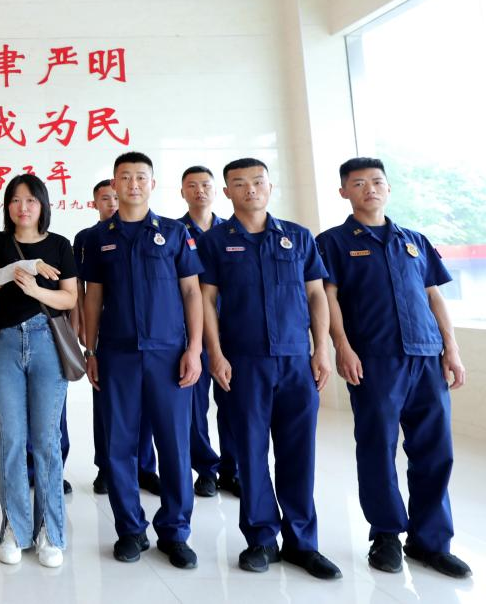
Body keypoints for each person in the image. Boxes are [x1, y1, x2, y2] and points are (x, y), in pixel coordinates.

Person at [316, 157, 470, 578]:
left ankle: (430, 541)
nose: (370, 189)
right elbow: (328, 299)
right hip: (374, 360)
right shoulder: (333, 242)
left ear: (388, 188)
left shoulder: (414, 240)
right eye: (358, 183)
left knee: (435, 450)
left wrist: (451, 348)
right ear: (343, 191)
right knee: (377, 447)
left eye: (377, 181)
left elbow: (434, 296)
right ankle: (385, 535)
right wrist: (341, 346)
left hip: (426, 357)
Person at [197, 157, 341, 579]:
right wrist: (215, 353)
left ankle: (302, 543)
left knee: (299, 452)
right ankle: (261, 538)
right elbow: (206, 300)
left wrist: (322, 349)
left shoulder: (298, 237)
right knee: (250, 452)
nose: (251, 189)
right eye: (240, 183)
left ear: (270, 187)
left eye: (258, 181)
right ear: (227, 192)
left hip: (296, 360)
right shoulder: (216, 241)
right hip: (243, 362)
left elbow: (316, 295)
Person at [82, 152, 204, 568]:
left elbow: (192, 292)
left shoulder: (174, 233)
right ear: (114, 184)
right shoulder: (99, 237)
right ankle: (130, 530)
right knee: (119, 445)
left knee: (174, 444)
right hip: (117, 354)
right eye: (125, 177)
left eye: (140, 177)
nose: (133, 184)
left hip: (169, 354)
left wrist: (194, 348)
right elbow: (93, 297)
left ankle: (175, 531)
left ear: (152, 183)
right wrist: (91, 350)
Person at [0, 173, 77, 568]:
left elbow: (69, 297)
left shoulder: (60, 245)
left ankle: (49, 532)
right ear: (8, 206)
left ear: (42, 205)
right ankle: (14, 530)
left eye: (31, 200)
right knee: (13, 439)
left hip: (46, 342)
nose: (23, 207)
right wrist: (21, 266)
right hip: (4, 343)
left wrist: (35, 290)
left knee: (46, 439)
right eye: (16, 200)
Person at [74, 179, 158, 496]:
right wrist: (84, 329)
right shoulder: (88, 238)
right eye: (104, 199)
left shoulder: (149, 232)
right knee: (107, 407)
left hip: (147, 335)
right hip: (108, 334)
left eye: (114, 197)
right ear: (95, 203)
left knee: (147, 405)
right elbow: (81, 288)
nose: (111, 203)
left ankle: (145, 468)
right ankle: (106, 468)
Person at [177, 165, 239, 499]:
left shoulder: (233, 231)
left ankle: (233, 468)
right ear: (182, 192)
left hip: (232, 330)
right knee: (193, 406)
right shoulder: (174, 232)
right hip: (191, 333)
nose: (199, 190)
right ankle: (205, 469)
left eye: (205, 184)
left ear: (217, 191)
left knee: (233, 402)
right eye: (192, 185)